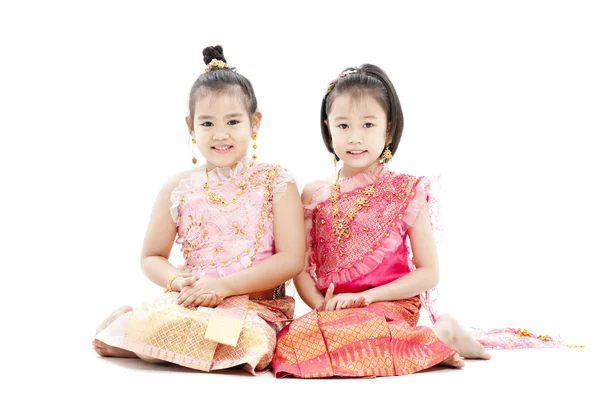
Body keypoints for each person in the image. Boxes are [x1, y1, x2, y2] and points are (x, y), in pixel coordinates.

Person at [93, 45, 304, 375]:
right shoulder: (179, 187)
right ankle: (136, 329)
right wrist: (178, 282)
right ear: (191, 127)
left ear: (255, 122)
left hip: (253, 303)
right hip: (191, 301)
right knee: (172, 323)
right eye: (207, 123)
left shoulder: (277, 181)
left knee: (246, 342)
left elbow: (292, 258)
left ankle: (135, 340)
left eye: (233, 121)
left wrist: (223, 288)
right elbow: (151, 257)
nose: (220, 134)